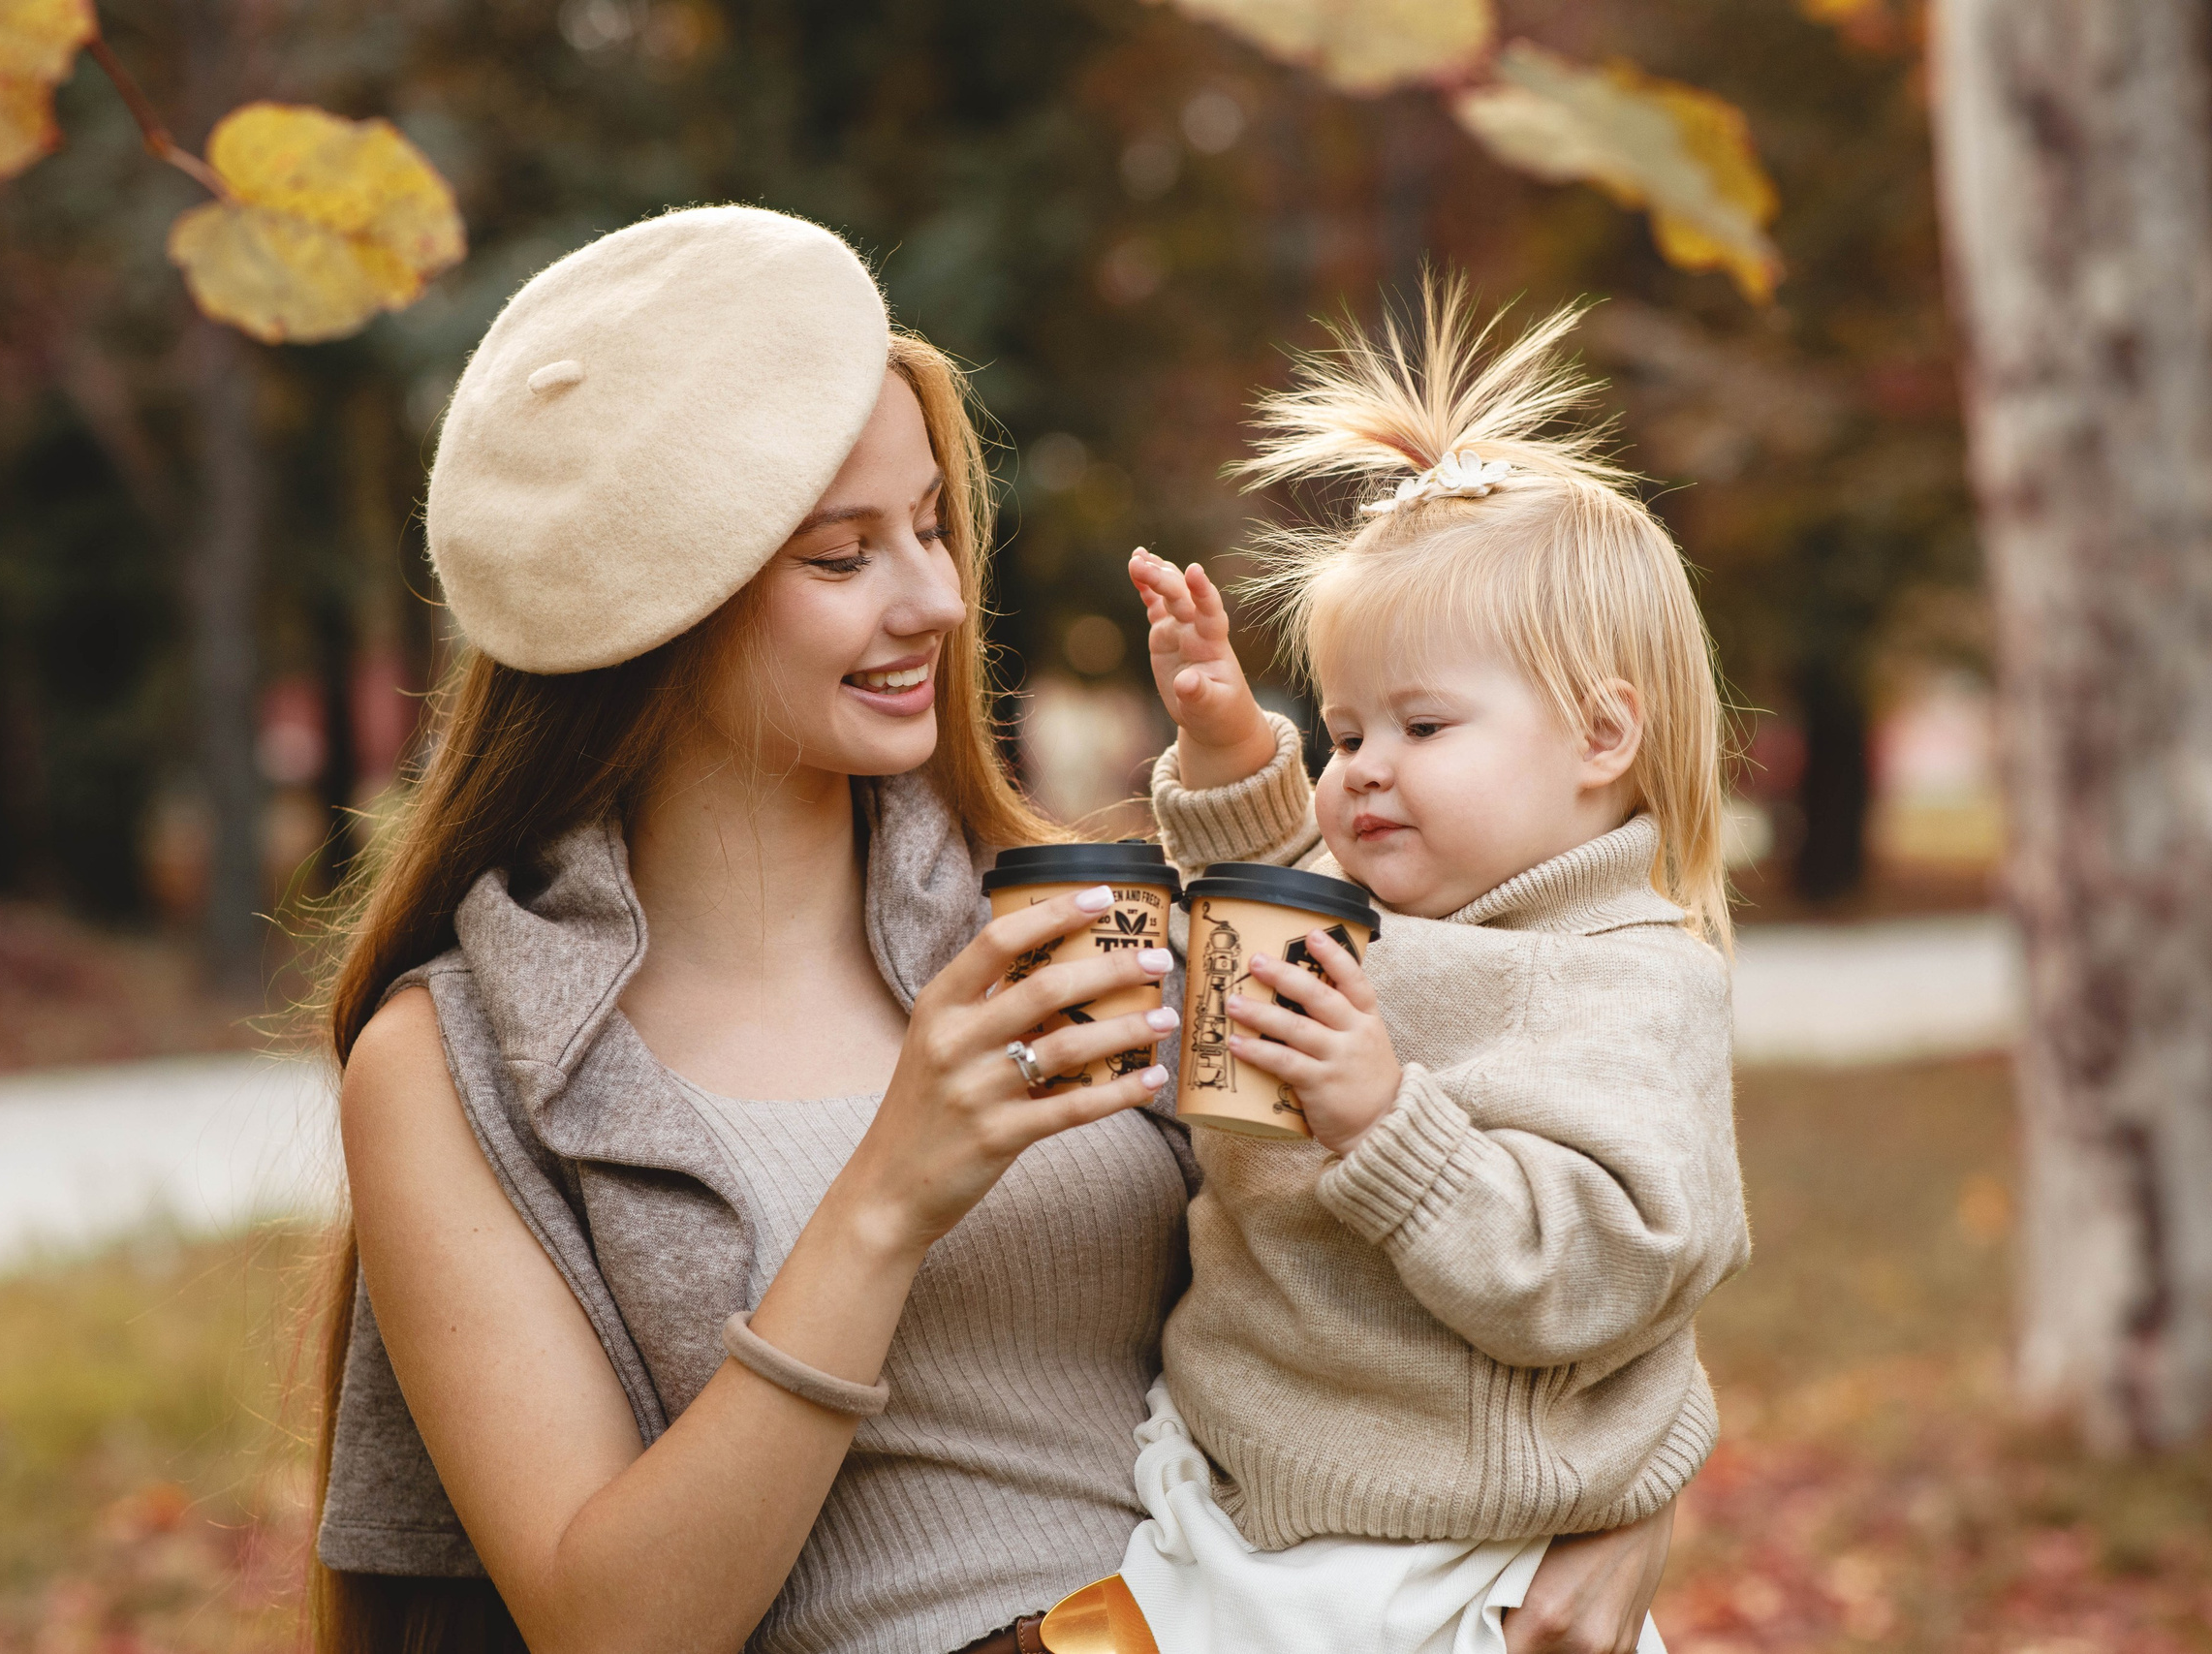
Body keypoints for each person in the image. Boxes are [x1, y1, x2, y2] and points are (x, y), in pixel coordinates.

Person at [311, 206, 1680, 1654]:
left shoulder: (1082, 911)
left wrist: (1631, 1501)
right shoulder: (452, 1067)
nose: (941, 601)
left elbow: (1519, 1189)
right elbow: (615, 1628)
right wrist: (886, 1198)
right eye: (843, 558)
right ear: (657, 607)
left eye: (931, 528)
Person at [1104, 284, 1748, 1654]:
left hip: (1439, 1556)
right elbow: (1271, 889)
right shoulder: (1387, 901)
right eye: (1342, 727)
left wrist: (1383, 1122)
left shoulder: (1629, 982)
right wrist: (1225, 742)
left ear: (1599, 735)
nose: (1364, 768)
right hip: (1229, 1481)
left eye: (1423, 722)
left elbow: (1601, 1271)